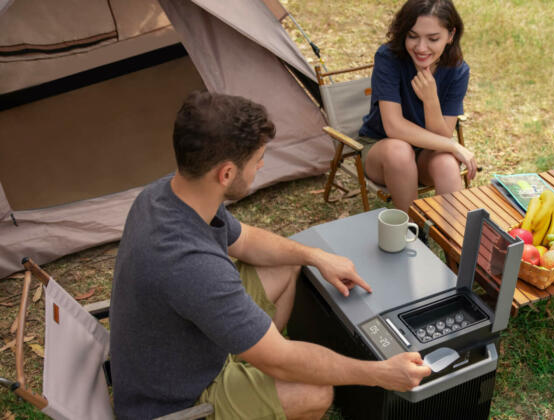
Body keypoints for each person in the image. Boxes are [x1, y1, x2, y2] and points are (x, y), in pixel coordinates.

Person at [110, 91, 431, 420]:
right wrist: (380, 373)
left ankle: (253, 352)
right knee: (315, 392)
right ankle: (257, 359)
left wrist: (315, 256)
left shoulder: (165, 194)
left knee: (287, 260)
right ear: (226, 173)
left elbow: (246, 240)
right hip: (179, 399)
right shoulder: (191, 265)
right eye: (258, 158)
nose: (261, 165)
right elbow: (283, 360)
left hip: (188, 344)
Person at [358, 0, 478, 212]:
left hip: (426, 152)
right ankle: (413, 230)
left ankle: (453, 239)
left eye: (433, 39)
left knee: (447, 163)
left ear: (450, 36)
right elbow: (393, 127)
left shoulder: (458, 71)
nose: (421, 48)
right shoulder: (389, 58)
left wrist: (430, 100)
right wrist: (453, 146)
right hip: (382, 149)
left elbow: (442, 136)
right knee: (400, 151)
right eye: (412, 36)